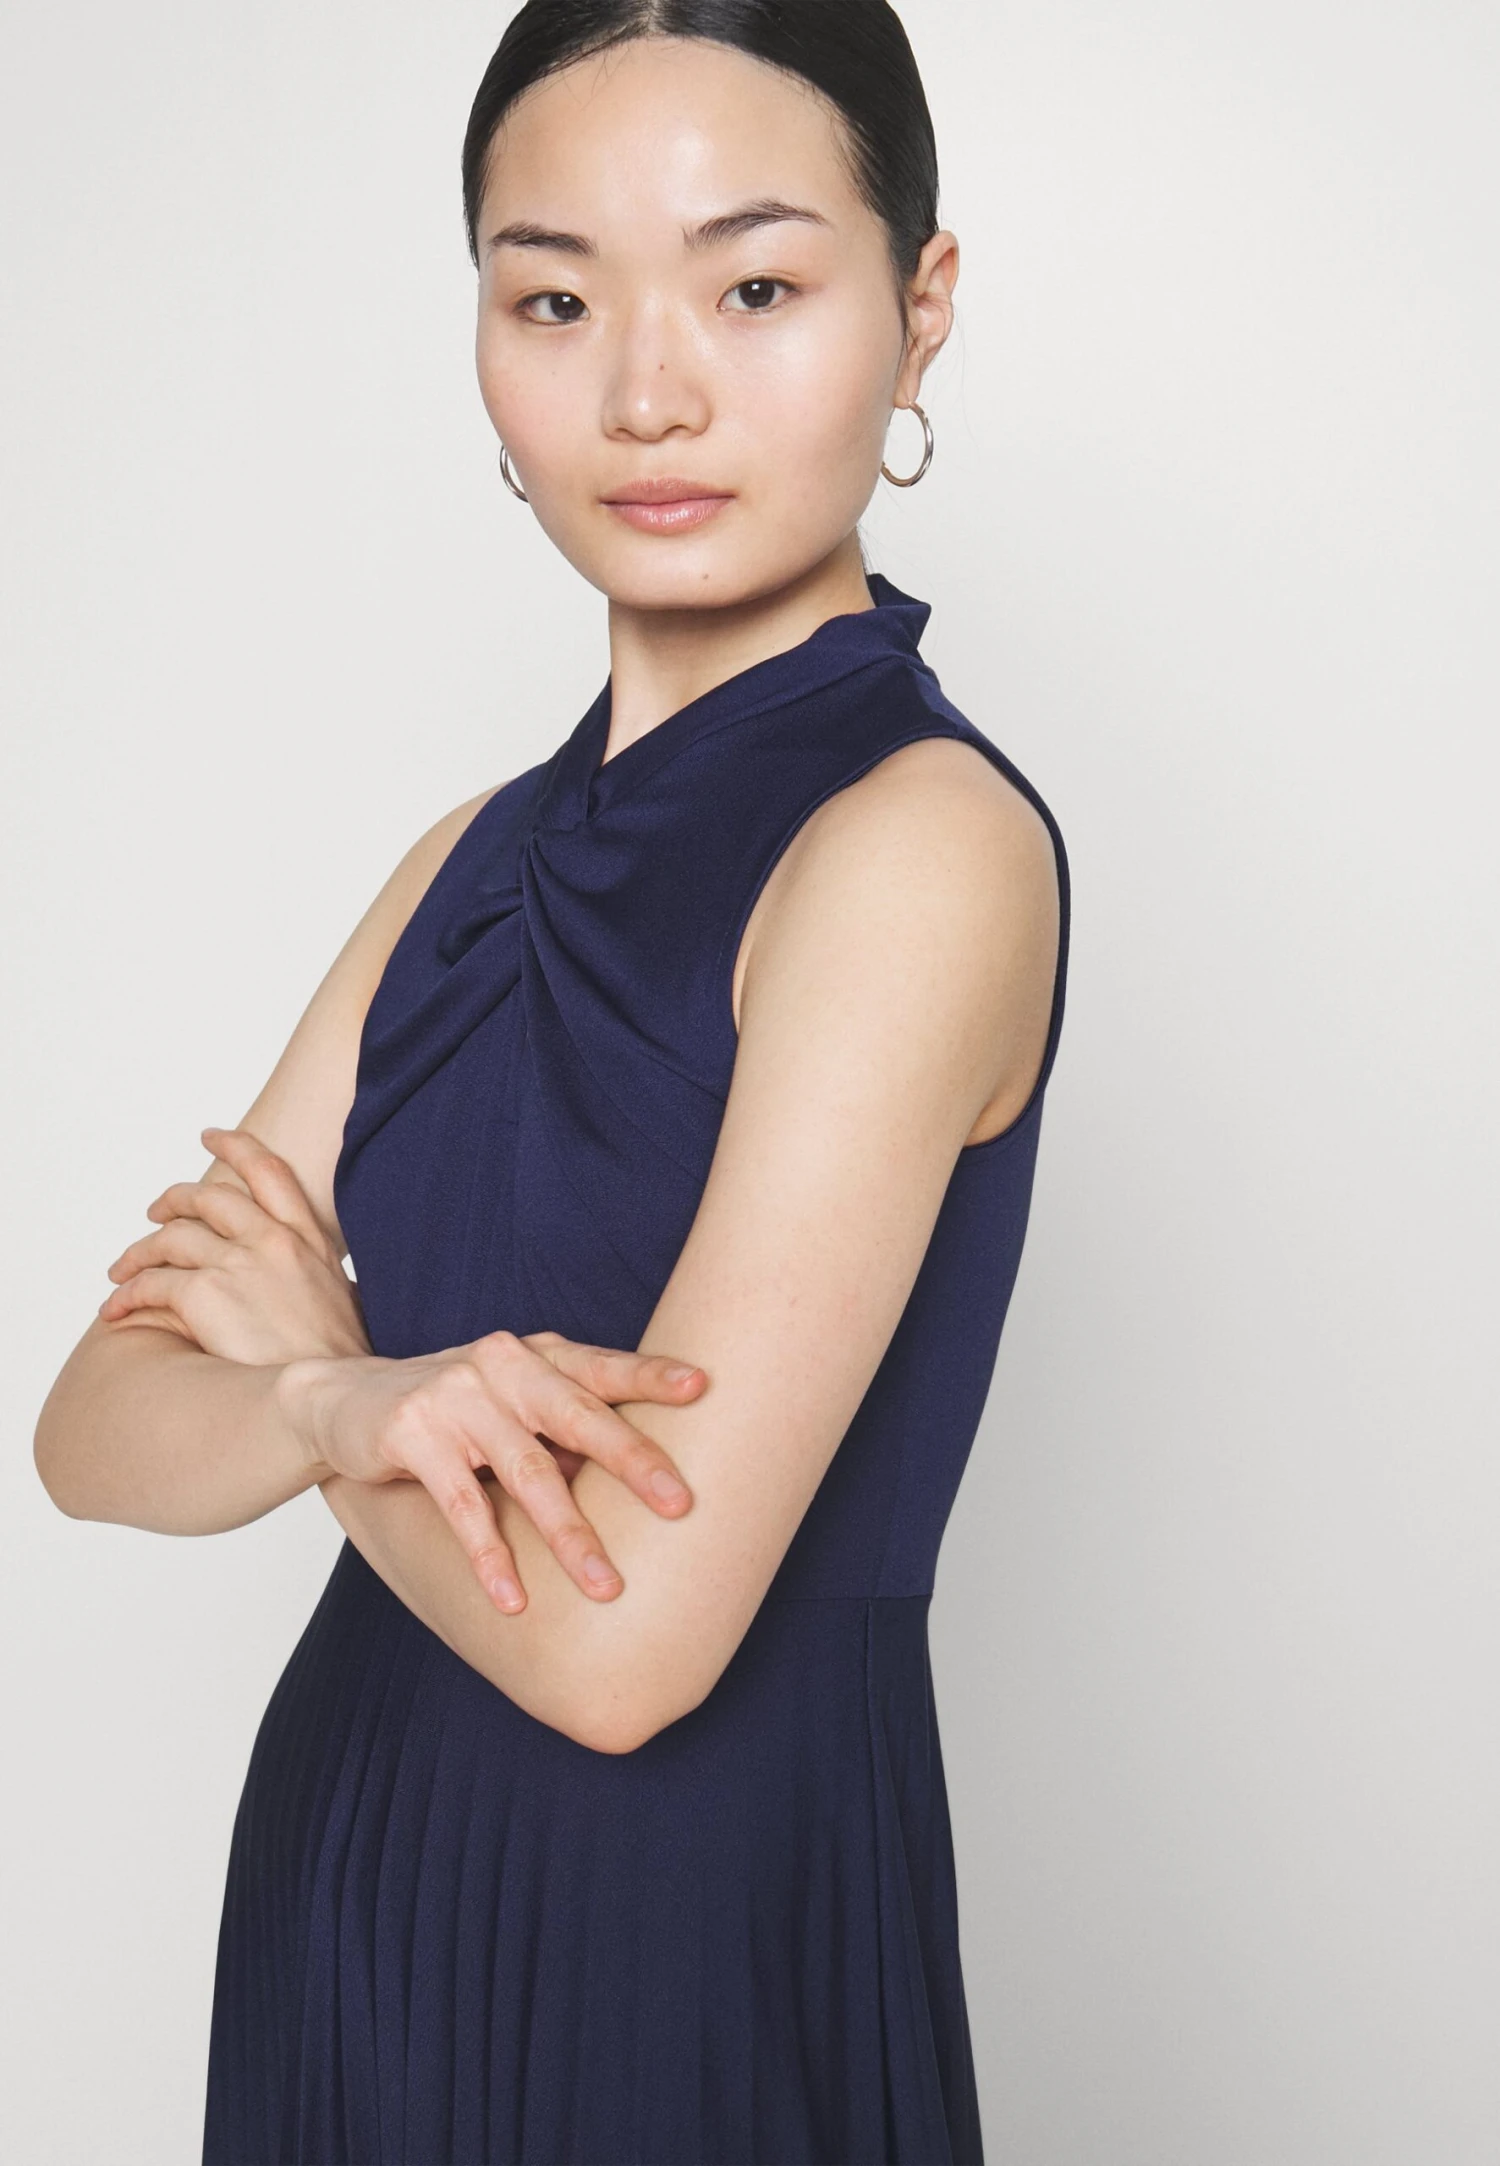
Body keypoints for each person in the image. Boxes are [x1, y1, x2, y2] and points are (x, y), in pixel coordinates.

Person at [34, 3, 1069, 2160]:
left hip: (685, 1944)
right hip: (350, 1906)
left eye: (754, 287)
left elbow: (624, 1655)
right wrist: (340, 1400)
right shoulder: (465, 859)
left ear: (921, 308)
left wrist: (318, 1393)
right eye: (555, 299)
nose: (647, 391)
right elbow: (91, 1426)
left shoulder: (920, 847)